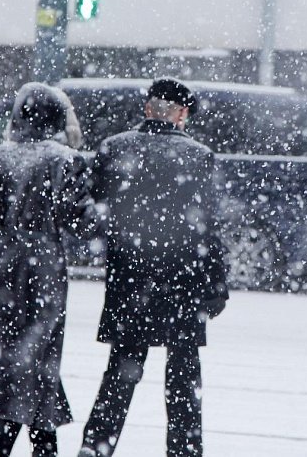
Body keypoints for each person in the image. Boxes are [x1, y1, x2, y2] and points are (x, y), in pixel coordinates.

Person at [79, 77, 229, 457]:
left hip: (130, 280)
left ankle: (95, 448)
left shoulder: (114, 148)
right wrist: (215, 285)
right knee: (183, 382)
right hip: (184, 283)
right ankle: (184, 452)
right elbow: (209, 229)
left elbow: (92, 213)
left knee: (119, 375)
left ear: (148, 108)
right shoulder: (199, 156)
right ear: (182, 114)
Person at [0, 83, 94, 457]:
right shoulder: (65, 161)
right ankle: (11, 444)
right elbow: (82, 223)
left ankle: (29, 443)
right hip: (42, 274)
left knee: (9, 358)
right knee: (37, 357)